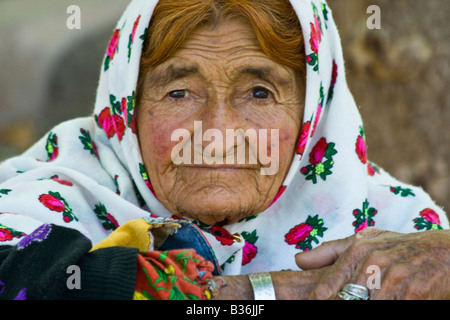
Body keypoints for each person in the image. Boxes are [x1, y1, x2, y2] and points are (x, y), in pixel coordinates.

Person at [0, 0, 448, 300]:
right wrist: (274, 292)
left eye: (259, 92)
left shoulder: (399, 233)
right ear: (129, 105)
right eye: (179, 92)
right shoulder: (51, 199)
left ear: (313, 113)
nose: (217, 133)